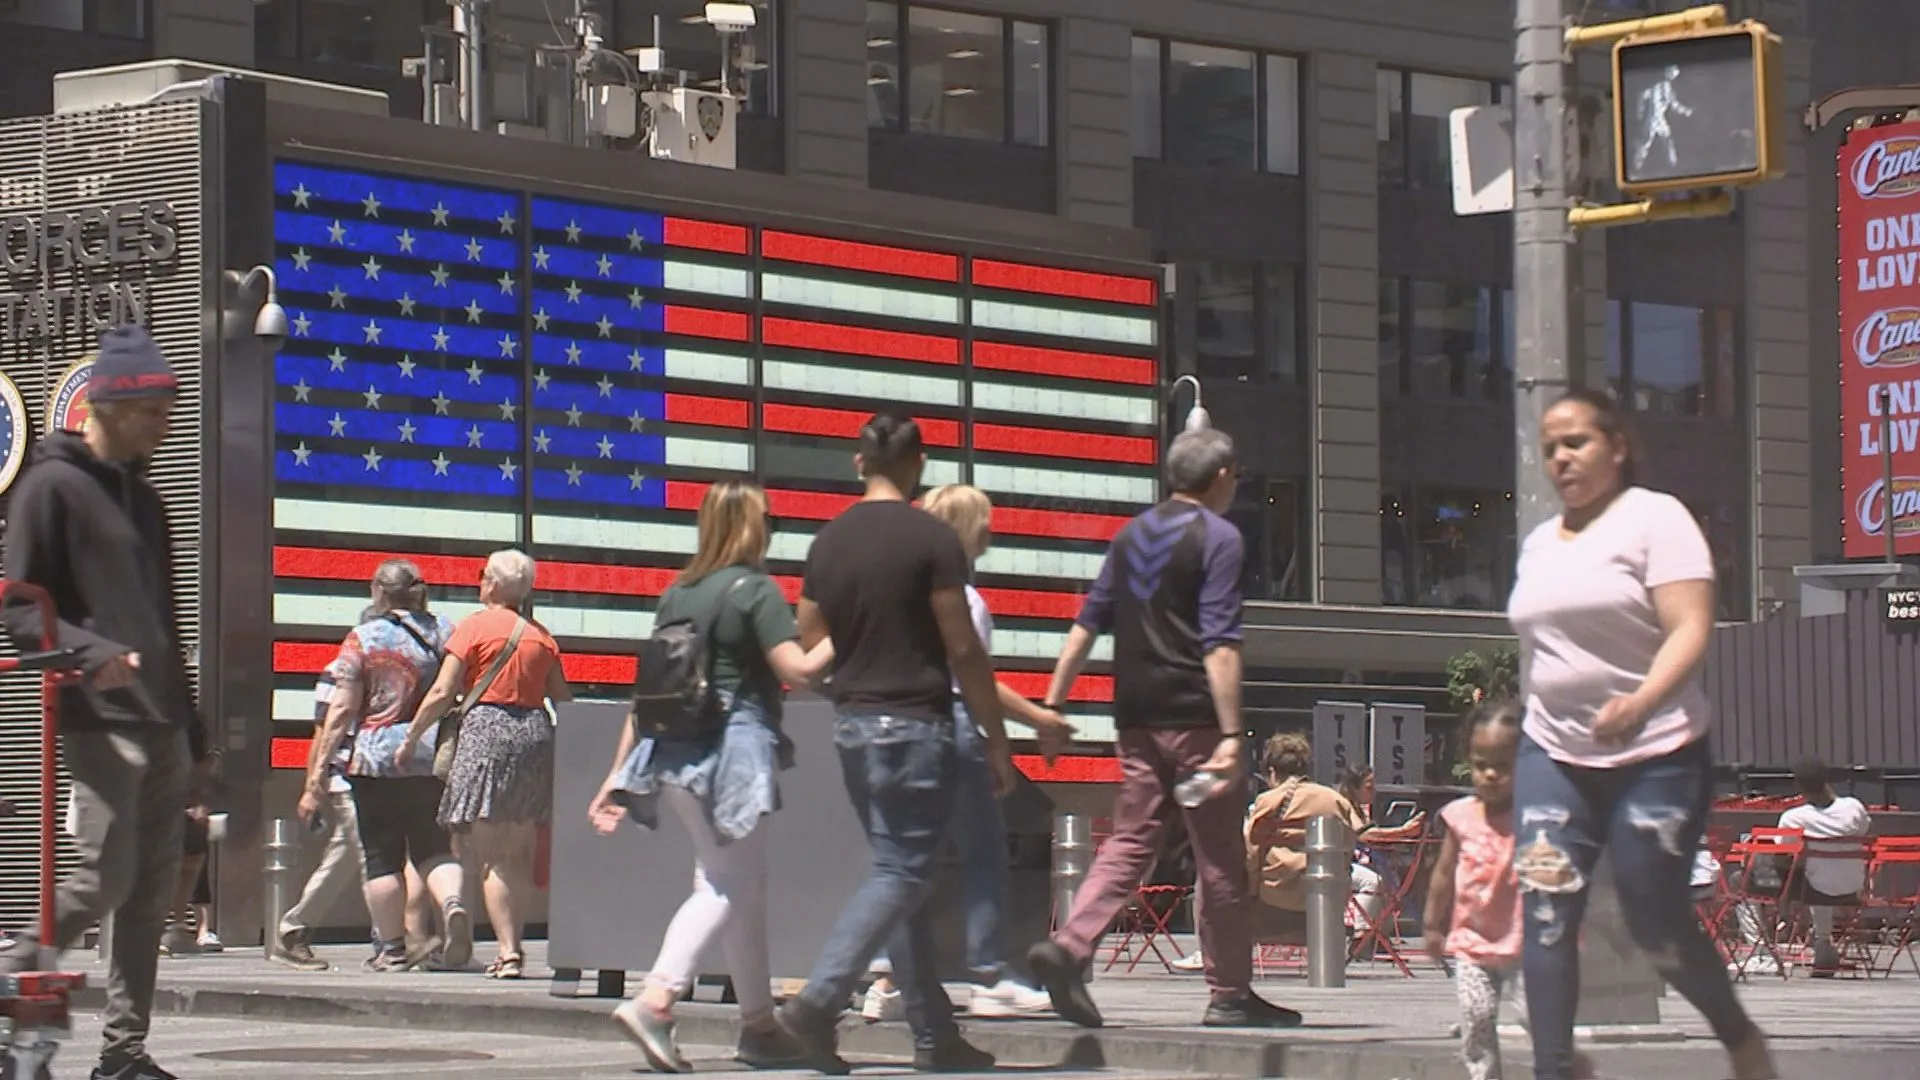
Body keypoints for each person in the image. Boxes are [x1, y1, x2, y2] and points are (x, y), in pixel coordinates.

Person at [1506, 389, 1775, 1080]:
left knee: (1651, 917)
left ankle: (1739, 1037)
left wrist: (1641, 700)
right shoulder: (1538, 542)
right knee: (1545, 907)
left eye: (1577, 442)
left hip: (1657, 751)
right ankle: (1554, 1070)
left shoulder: (1656, 519)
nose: (1561, 458)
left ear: (1617, 446)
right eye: (1549, 448)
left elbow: (1690, 626)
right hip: (1553, 751)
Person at [1028, 425, 1295, 1030]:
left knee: (1130, 839)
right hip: (1197, 717)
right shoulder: (1219, 537)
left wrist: (1053, 704)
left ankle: (1070, 944)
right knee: (1219, 857)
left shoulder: (1130, 535)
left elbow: (1086, 625)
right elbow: (1219, 642)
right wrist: (1231, 735)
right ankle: (1229, 994)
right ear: (1222, 475)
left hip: (1137, 716)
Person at [0, 326, 213, 1080]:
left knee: (150, 898)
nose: (164, 425)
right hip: (101, 720)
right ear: (110, 407)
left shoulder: (148, 501)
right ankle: (19, 971)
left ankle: (123, 1054)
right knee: (104, 877)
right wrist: (91, 655)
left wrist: (194, 733)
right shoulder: (48, 488)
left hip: (160, 725)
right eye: (153, 412)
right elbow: (19, 607)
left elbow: (163, 624)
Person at [774, 413, 1010, 1074]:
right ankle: (817, 1003)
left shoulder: (828, 542)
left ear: (858, 464)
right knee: (902, 873)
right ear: (920, 464)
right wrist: (994, 739)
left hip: (852, 724)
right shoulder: (933, 540)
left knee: (894, 876)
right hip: (917, 721)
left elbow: (812, 636)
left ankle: (935, 1037)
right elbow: (962, 646)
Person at [586, 479, 830, 1072]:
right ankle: (658, 998)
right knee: (729, 883)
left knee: (741, 885)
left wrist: (615, 775)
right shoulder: (757, 590)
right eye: (769, 519)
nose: (774, 530)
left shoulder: (678, 594)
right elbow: (799, 671)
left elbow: (647, 693)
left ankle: (759, 1026)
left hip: (673, 753)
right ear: (752, 525)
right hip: (734, 752)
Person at [857, 484, 1071, 1023]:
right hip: (948, 724)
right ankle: (989, 975)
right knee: (982, 849)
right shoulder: (963, 599)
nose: (992, 533)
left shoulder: (896, 597)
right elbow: (974, 676)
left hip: (889, 724)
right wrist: (1026, 727)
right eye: (984, 523)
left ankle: (889, 978)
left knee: (905, 858)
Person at [401, 549, 571, 980]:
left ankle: (507, 951)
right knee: (517, 852)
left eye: (483, 576)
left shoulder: (473, 628)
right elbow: (562, 701)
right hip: (534, 736)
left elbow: (443, 692)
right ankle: (512, 945)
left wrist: (412, 734)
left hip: (486, 735)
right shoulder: (540, 636)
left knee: (492, 854)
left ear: (493, 584)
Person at [307, 561, 470, 972]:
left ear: (379, 592)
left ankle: (392, 949)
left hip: (374, 760)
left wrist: (318, 772)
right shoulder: (445, 631)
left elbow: (342, 708)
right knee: (433, 846)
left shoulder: (362, 638)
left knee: (381, 857)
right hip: (430, 755)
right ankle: (452, 903)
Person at [1423, 700, 1596, 1080]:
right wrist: (1433, 924)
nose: (1489, 775)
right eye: (1480, 763)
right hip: (1473, 941)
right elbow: (1442, 873)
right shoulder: (1460, 816)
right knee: (1476, 1016)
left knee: (1540, 1018)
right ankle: (1483, 1075)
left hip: (1526, 941)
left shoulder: (1536, 814)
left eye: (1503, 766)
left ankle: (1567, 1064)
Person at [1243, 734, 1386, 936]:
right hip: (1326, 903)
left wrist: (1251, 893)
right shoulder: (1335, 800)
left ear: (1272, 771)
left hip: (1273, 901)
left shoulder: (1267, 800)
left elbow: (1251, 855)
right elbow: (1348, 849)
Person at [1775, 756, 1871, 974]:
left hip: (1815, 890)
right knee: (1821, 868)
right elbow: (1865, 830)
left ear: (1798, 785)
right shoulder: (1854, 808)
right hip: (1854, 887)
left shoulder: (1794, 817)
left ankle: (1763, 948)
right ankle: (1822, 942)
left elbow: (1781, 853)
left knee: (1746, 877)